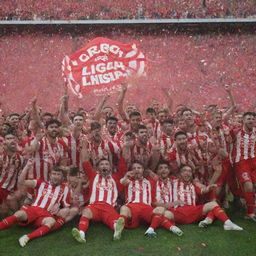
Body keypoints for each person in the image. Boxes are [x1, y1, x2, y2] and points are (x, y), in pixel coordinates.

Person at [0, 159, 71, 247]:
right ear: (50, 175)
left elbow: (67, 207)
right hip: (34, 210)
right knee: (18, 215)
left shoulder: (65, 188)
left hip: (46, 214)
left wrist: (59, 208)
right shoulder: (40, 183)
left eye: (58, 174)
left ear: (62, 177)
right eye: (53, 174)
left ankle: (27, 237)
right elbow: (21, 182)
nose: (55, 176)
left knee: (51, 221)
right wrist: (27, 167)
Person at [71, 138, 126, 243]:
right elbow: (85, 161)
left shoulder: (116, 177)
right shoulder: (93, 176)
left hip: (108, 206)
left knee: (114, 221)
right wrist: (83, 146)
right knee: (86, 211)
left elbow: (123, 165)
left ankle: (116, 232)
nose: (104, 166)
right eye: (102, 164)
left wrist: (125, 148)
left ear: (110, 168)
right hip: (94, 206)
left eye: (106, 164)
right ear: (97, 167)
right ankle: (81, 234)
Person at [163, 165, 243, 231]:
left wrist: (209, 187)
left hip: (193, 212)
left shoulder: (193, 186)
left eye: (189, 171)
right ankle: (208, 219)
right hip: (177, 212)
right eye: (184, 171)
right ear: (180, 173)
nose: (187, 173)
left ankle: (228, 223)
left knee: (213, 204)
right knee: (163, 213)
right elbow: (162, 175)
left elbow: (203, 191)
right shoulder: (172, 181)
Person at [232, 112, 256, 221]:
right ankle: (250, 213)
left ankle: (249, 205)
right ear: (243, 120)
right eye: (248, 119)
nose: (251, 120)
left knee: (252, 187)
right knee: (248, 185)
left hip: (254, 161)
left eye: (252, 119)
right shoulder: (236, 132)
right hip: (241, 162)